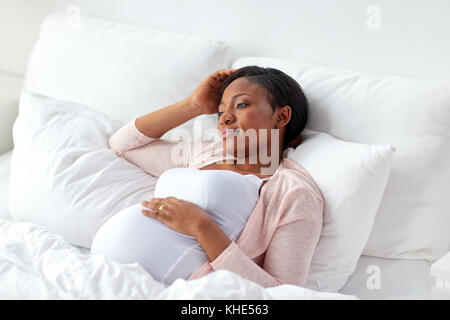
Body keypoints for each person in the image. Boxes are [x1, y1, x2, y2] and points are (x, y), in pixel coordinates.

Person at [102, 66, 324, 288]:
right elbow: (123, 146)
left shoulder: (294, 193)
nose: (224, 119)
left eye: (241, 105)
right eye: (220, 112)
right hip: (103, 274)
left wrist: (202, 227)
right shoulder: (205, 153)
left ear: (282, 116)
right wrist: (193, 105)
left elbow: (285, 294)